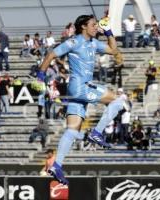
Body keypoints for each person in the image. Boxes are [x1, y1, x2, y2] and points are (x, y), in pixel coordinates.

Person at [37, 15, 128, 185]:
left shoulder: (93, 43)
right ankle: (96, 132)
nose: (96, 27)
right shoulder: (74, 42)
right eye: (93, 25)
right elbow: (51, 54)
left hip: (78, 92)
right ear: (83, 27)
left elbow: (114, 50)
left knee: (72, 130)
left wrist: (108, 31)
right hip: (81, 87)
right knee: (117, 100)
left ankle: (57, 165)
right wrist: (41, 74)